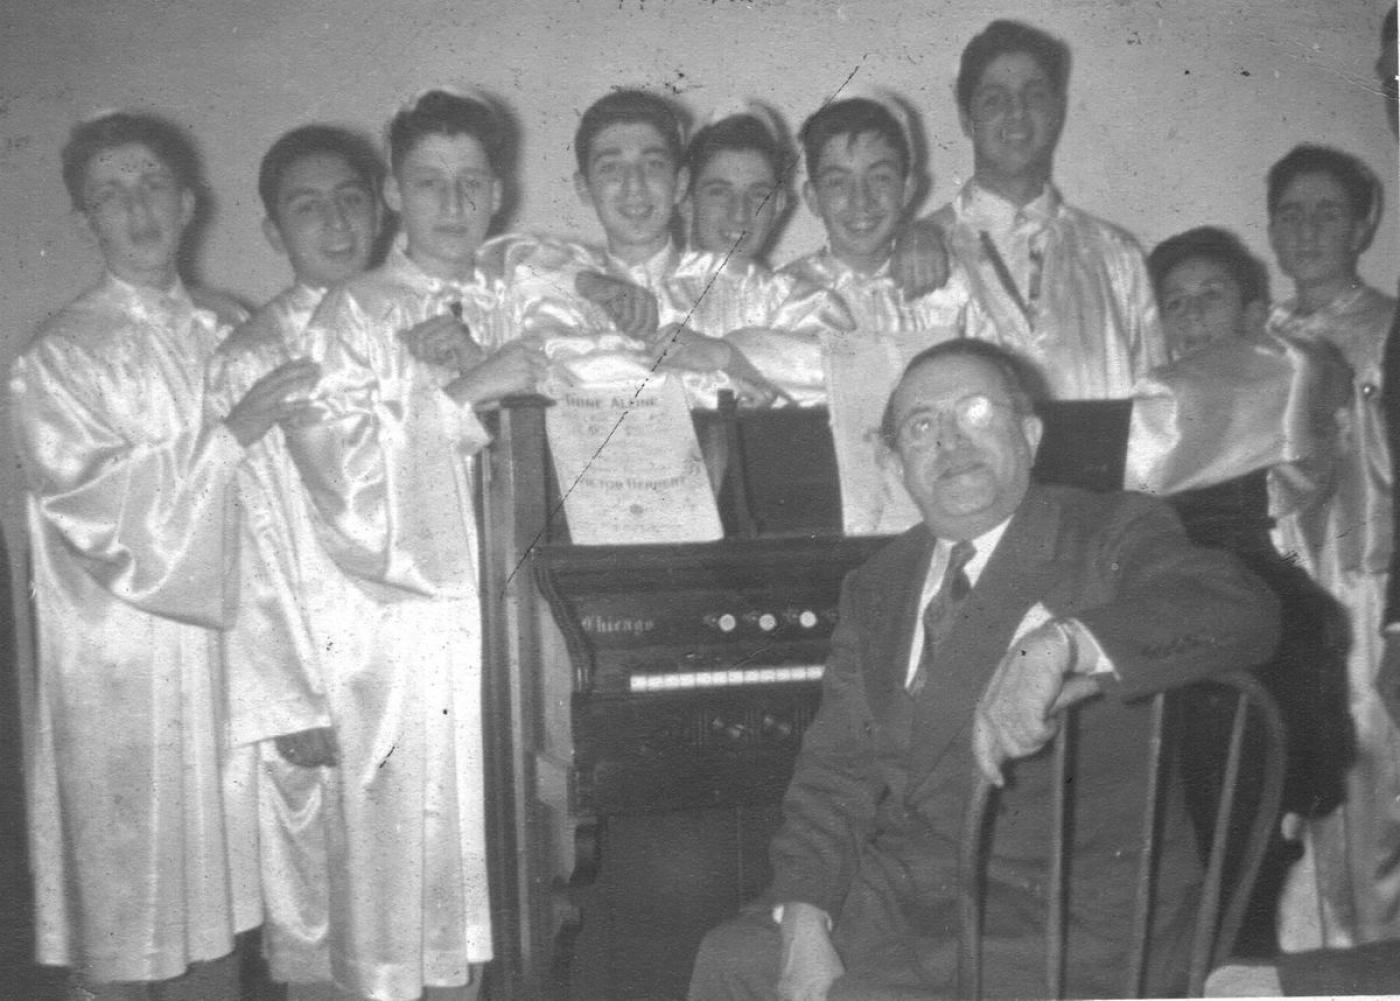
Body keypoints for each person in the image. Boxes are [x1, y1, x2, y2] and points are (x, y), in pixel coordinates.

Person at [687, 338, 1280, 1000]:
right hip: (910, 904)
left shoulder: (1106, 530)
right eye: (921, 425)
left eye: (975, 411)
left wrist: (1063, 642)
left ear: (1028, 433)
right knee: (735, 957)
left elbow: (1242, 609)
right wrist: (803, 920)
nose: (950, 441)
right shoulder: (876, 585)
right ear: (896, 464)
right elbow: (835, 775)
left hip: (1068, 928)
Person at [10, 111, 317, 999]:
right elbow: (101, 515)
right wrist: (232, 433)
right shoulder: (58, 356)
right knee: (129, 904)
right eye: (110, 193)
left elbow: (285, 503)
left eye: (151, 185)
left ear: (189, 203)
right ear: (85, 222)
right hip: (118, 673)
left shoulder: (237, 330)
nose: (135, 206)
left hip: (229, 658)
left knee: (221, 914)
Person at [272, 89, 546, 1001]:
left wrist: (491, 367)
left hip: (515, 633)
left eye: (472, 182)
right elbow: (339, 481)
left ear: (499, 190)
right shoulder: (353, 312)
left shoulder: (523, 293)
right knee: (416, 893)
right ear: (393, 191)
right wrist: (461, 396)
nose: (454, 204)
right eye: (430, 182)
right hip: (405, 638)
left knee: (514, 888)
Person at [205, 123, 383, 999]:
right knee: (320, 913)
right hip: (315, 682)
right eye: (308, 206)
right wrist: (291, 697)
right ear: (274, 229)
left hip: (417, 675)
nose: (337, 221)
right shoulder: (252, 358)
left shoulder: (418, 323)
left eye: (352, 197)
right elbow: (242, 535)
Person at [1264, 143, 1400, 952]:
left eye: (1328, 212)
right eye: (1291, 213)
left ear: (1362, 226)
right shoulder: (1256, 336)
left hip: (1368, 606)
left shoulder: (1390, 331)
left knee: (1370, 812)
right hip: (1280, 608)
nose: (1309, 229)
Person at [928, 19, 1165, 398]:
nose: (1016, 112)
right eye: (994, 99)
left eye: (1034, 95)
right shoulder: (928, 250)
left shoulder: (1117, 257)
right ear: (965, 118)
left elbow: (1155, 407)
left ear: (1058, 111)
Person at [781, 95, 966, 347]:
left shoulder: (951, 288)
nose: (861, 200)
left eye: (880, 178)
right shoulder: (784, 297)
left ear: (907, 189)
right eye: (838, 182)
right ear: (813, 198)